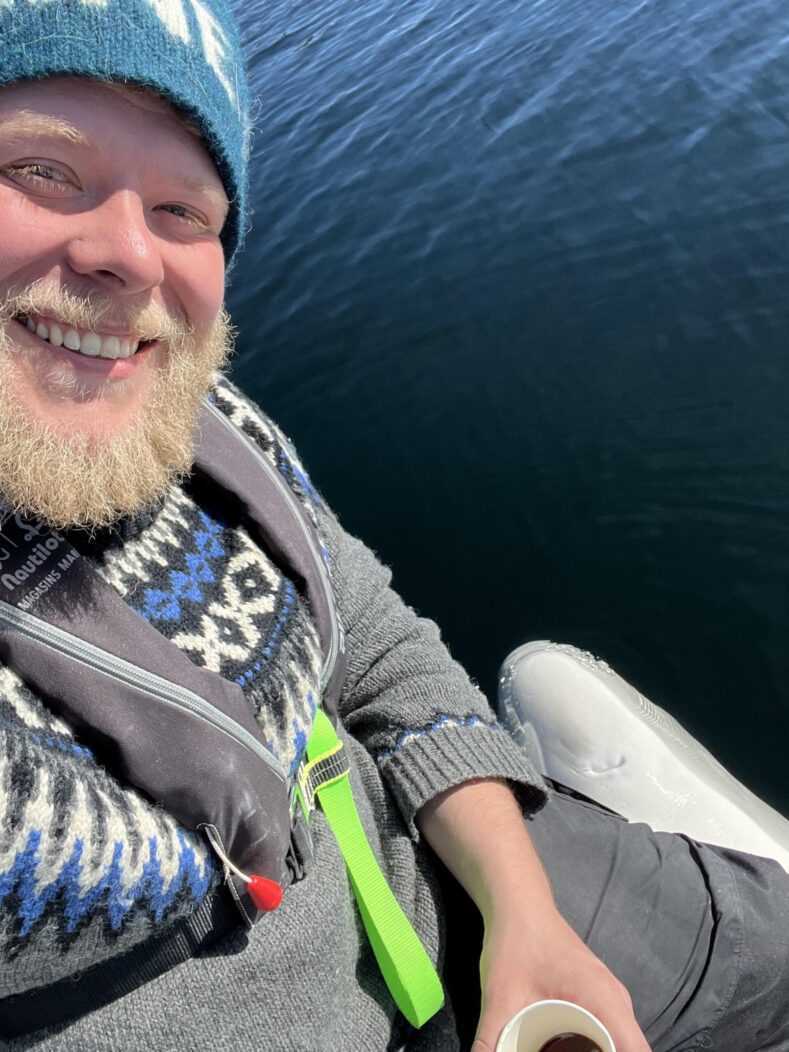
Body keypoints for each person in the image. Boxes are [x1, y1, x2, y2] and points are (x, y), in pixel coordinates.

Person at [0, 3, 787, 1051]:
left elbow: (369, 634)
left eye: (185, 209)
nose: (129, 256)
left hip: (435, 869)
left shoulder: (188, 423)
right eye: (47, 170)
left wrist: (522, 909)